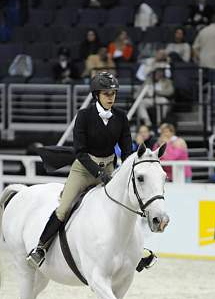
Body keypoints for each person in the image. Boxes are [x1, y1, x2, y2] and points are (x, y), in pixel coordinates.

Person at [26, 72, 156, 272]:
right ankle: (41, 248)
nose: (111, 97)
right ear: (97, 95)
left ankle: (135, 252)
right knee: (64, 208)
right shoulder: (84, 116)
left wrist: (129, 168)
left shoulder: (120, 117)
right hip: (84, 168)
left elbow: (127, 151)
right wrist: (98, 173)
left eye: (113, 93)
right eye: (106, 93)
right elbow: (80, 151)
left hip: (110, 167)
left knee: (125, 206)